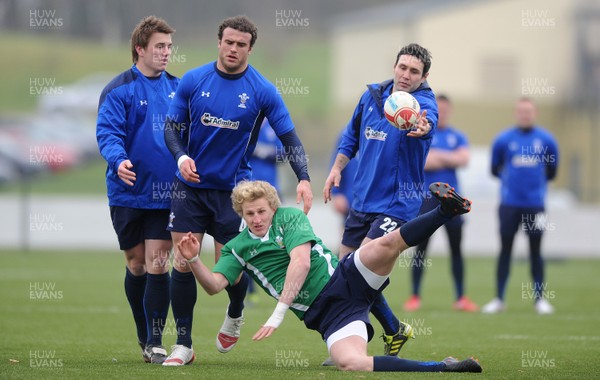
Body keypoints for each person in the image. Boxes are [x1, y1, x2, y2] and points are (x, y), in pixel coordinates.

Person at [176, 180, 481, 373]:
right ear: (241, 215)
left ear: (272, 207)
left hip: (347, 278)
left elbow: (301, 263)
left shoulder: (290, 217)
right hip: (329, 315)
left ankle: (446, 211)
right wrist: (192, 259)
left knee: (386, 245)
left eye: (261, 211)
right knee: (352, 364)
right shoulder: (236, 249)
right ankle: (444, 367)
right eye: (249, 214)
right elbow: (214, 286)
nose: (256, 219)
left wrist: (277, 314)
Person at [162, 15, 313, 366]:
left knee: (229, 266)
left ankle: (234, 311)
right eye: (228, 42)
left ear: (250, 48)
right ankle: (183, 344)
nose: (233, 49)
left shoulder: (262, 90)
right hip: (190, 188)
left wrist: (303, 176)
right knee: (183, 261)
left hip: (234, 194)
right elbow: (171, 127)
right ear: (219, 42)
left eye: (241, 44)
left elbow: (289, 138)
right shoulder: (194, 80)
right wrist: (181, 156)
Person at [323, 43, 438, 356]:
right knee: (346, 274)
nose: (406, 75)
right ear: (395, 66)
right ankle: (392, 329)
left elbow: (427, 126)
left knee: (359, 270)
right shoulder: (372, 96)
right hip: (361, 201)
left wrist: (422, 128)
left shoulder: (424, 104)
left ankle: (358, 343)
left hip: (397, 204)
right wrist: (336, 170)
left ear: (424, 76)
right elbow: (350, 137)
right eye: (402, 67)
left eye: (414, 71)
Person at [96, 16, 179, 364]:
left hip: (166, 194)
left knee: (158, 261)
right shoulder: (118, 90)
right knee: (136, 264)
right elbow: (108, 133)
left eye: (169, 47)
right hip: (127, 191)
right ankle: (144, 335)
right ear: (139, 49)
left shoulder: (179, 89)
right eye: (159, 46)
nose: (166, 53)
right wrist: (119, 161)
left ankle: (157, 340)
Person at [482, 97, 559, 315]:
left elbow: (552, 171)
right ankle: (499, 299)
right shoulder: (504, 139)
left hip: (536, 205)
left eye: (529, 112)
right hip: (509, 205)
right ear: (517, 113)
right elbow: (494, 168)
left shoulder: (546, 140)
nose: (525, 115)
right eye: (521, 111)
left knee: (536, 250)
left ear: (534, 114)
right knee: (505, 249)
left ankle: (539, 300)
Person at [403, 94, 478, 312]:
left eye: (446, 110)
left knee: (456, 249)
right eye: (439, 110)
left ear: (450, 111)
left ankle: (461, 297)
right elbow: (423, 162)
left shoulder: (458, 136)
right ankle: (415, 296)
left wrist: (437, 156)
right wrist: (448, 157)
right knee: (421, 250)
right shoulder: (423, 133)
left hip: (454, 200)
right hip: (426, 201)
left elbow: (464, 159)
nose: (442, 113)